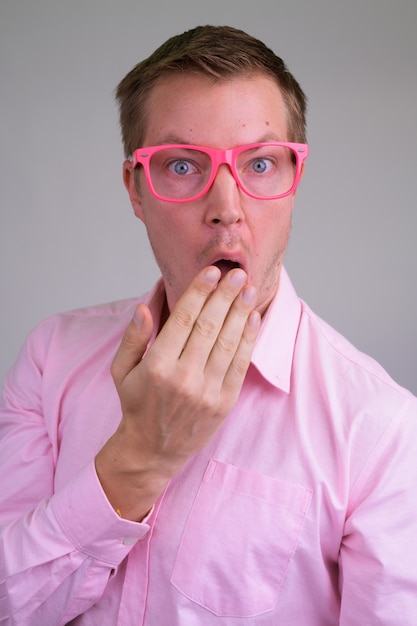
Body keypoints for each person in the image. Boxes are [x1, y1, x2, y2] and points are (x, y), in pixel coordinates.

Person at [0, 24, 416, 626]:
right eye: (182, 167)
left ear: (295, 183)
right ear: (136, 190)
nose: (227, 206)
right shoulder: (50, 357)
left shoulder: (381, 432)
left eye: (262, 163)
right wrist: (138, 457)